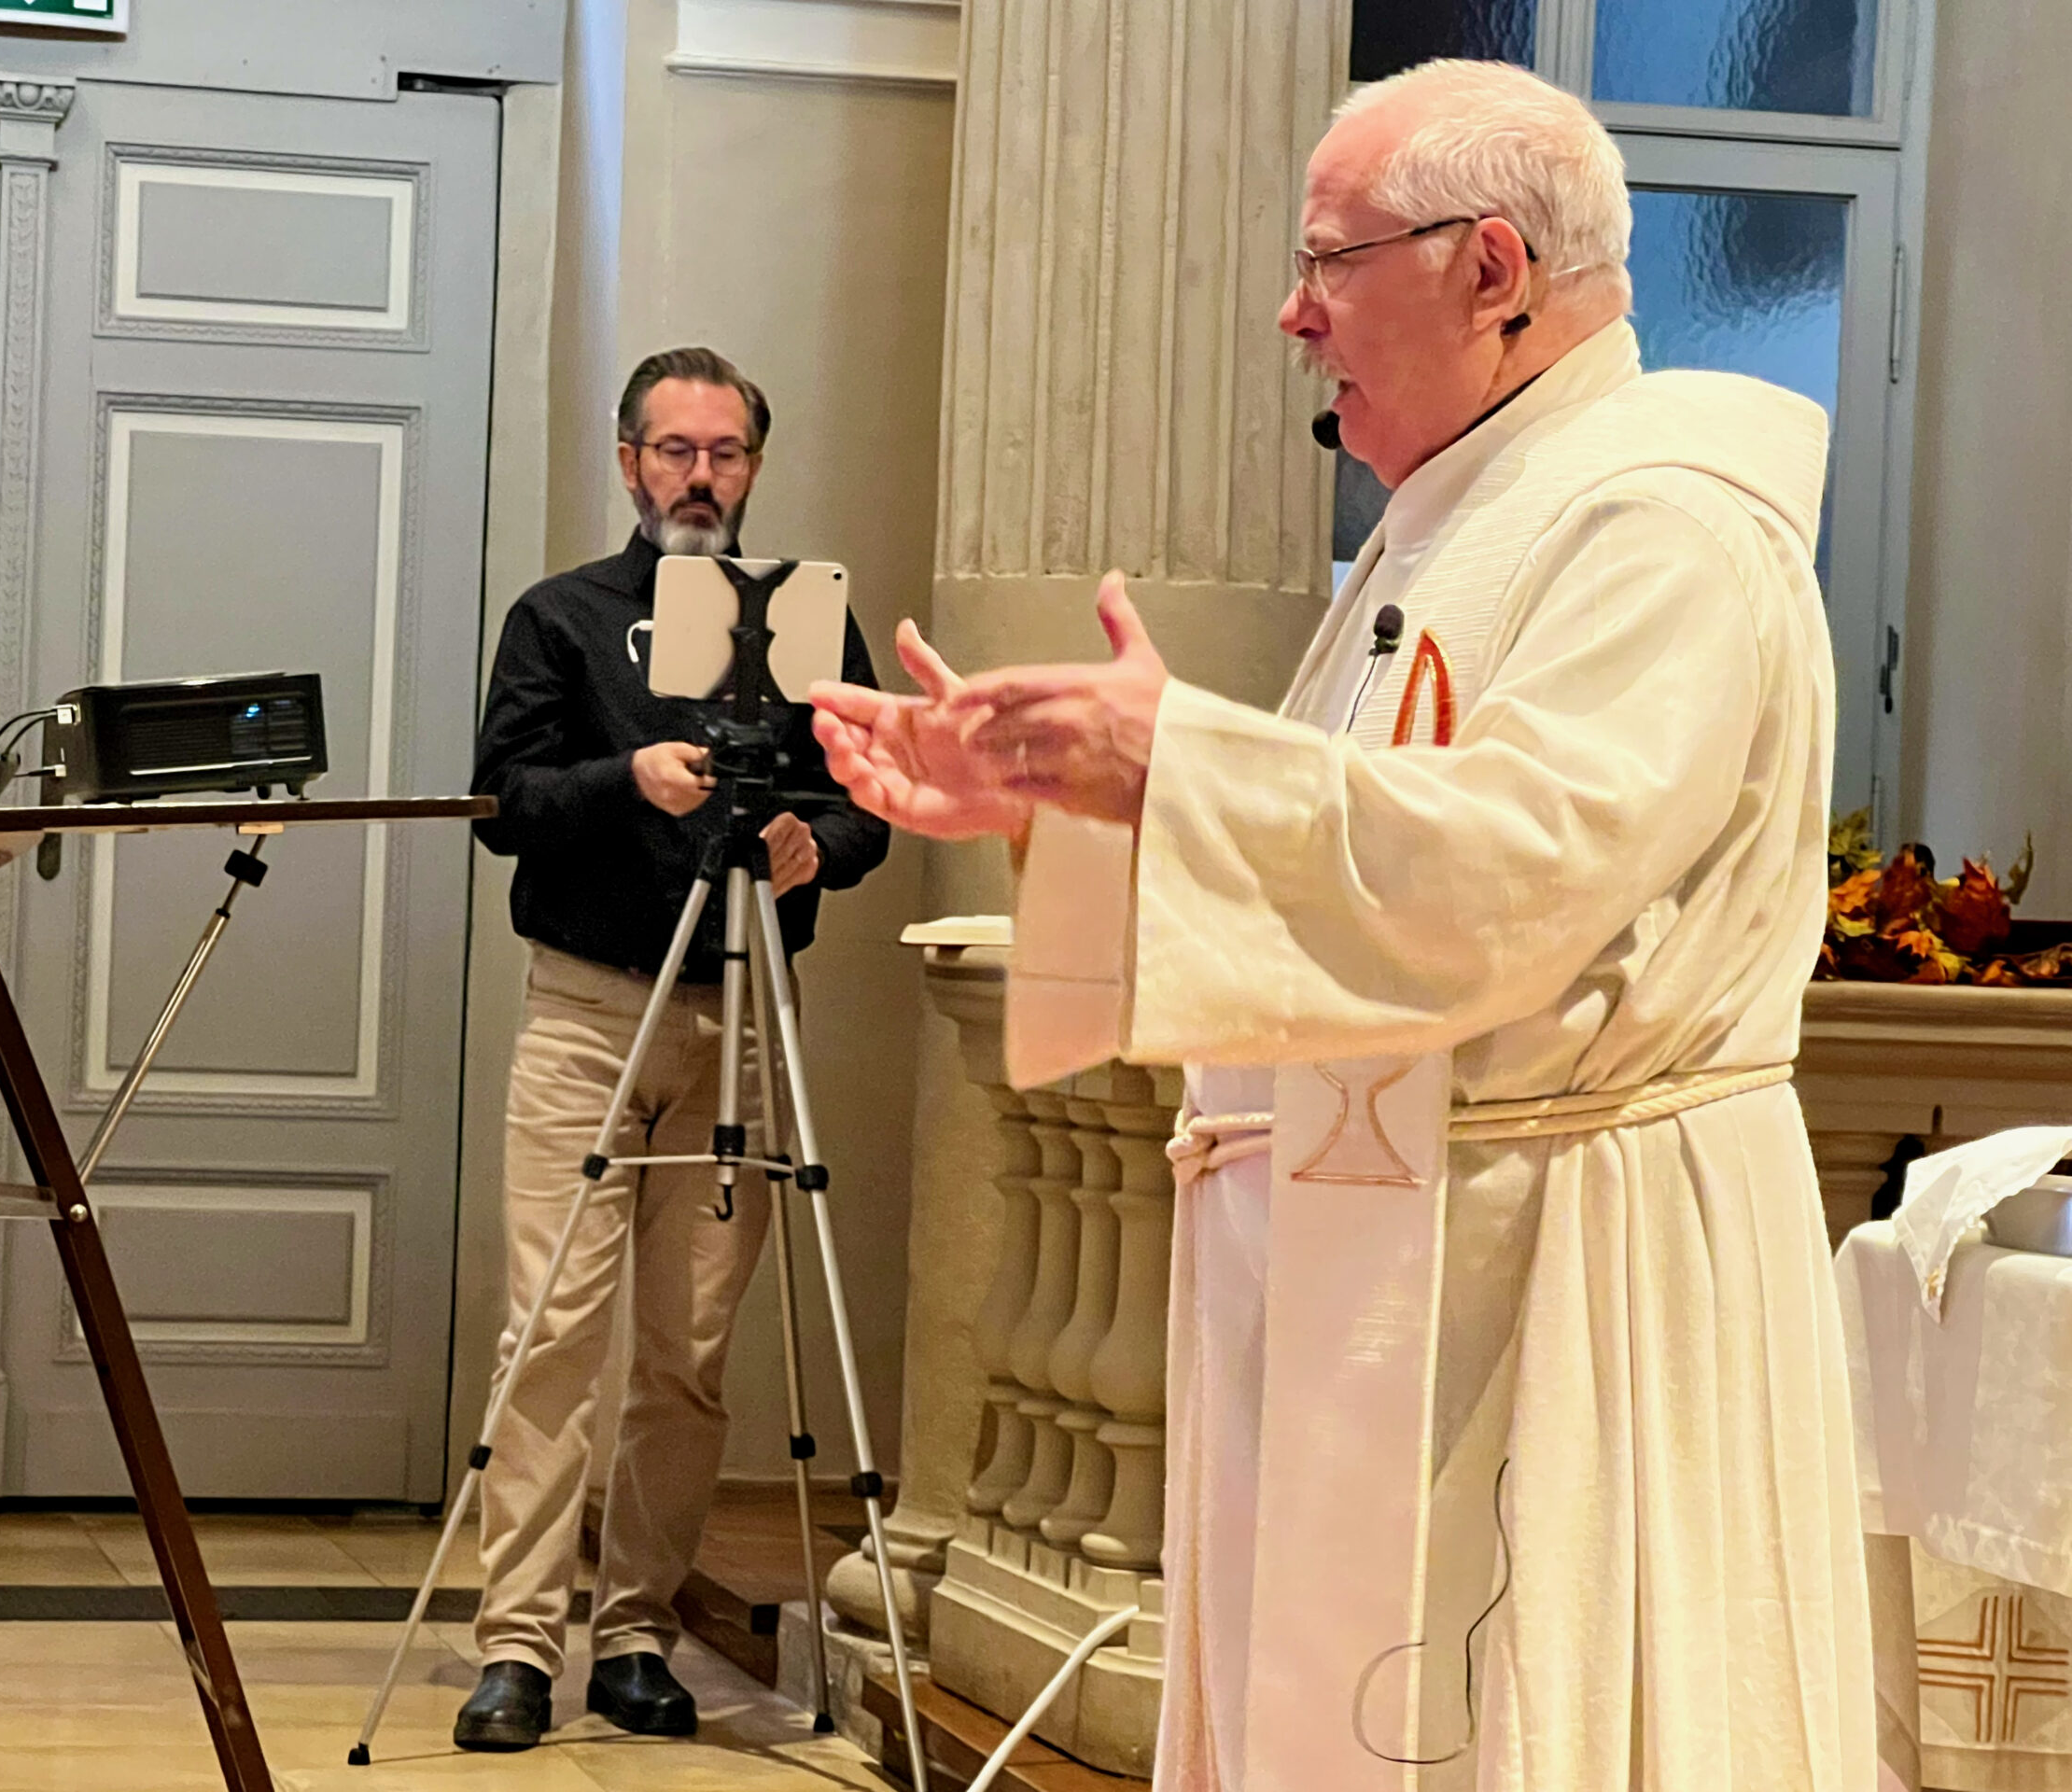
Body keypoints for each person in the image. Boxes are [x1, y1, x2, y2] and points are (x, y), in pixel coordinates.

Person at [809, 59, 1873, 1792]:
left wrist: (1178, 761)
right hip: (1405, 1248)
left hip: (1561, 1271)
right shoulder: (1446, 529)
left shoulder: (1659, 522)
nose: (1292, 315)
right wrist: (1071, 811)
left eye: (1329, 261)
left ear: (1492, 268)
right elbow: (1352, 871)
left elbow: (1522, 866)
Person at [460, 346, 889, 1751]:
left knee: (689, 1349)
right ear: (629, 461)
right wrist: (624, 778)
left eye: (725, 453)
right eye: (675, 451)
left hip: (746, 1005)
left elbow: (869, 805)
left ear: (754, 465)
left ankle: (638, 1630)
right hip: (591, 1005)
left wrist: (817, 845)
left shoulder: (810, 621)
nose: (700, 477)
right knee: (550, 1332)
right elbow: (503, 801)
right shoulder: (562, 616)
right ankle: (517, 1642)